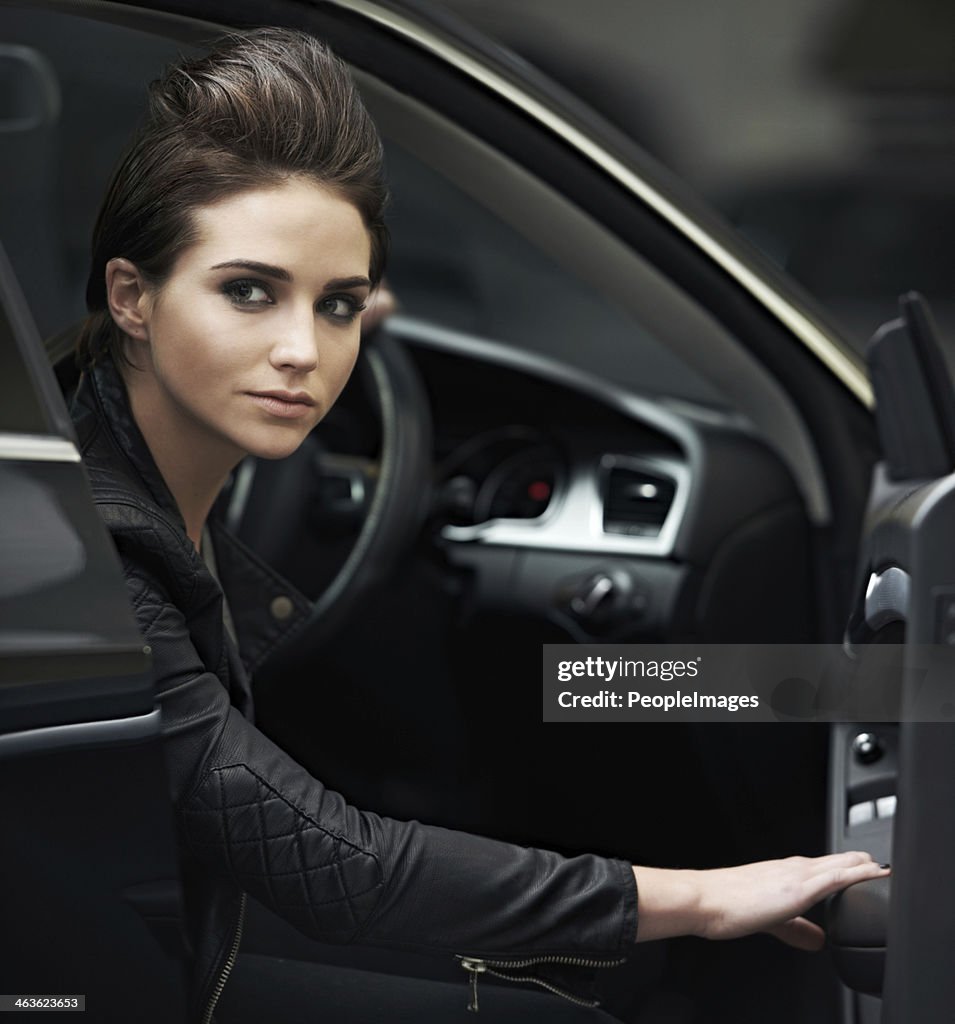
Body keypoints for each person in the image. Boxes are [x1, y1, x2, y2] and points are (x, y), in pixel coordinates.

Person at [69, 27, 889, 1024]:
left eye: (336, 306)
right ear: (131, 297)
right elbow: (335, 867)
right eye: (246, 291)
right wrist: (706, 895)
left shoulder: (118, 457)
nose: (300, 351)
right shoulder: (97, 545)